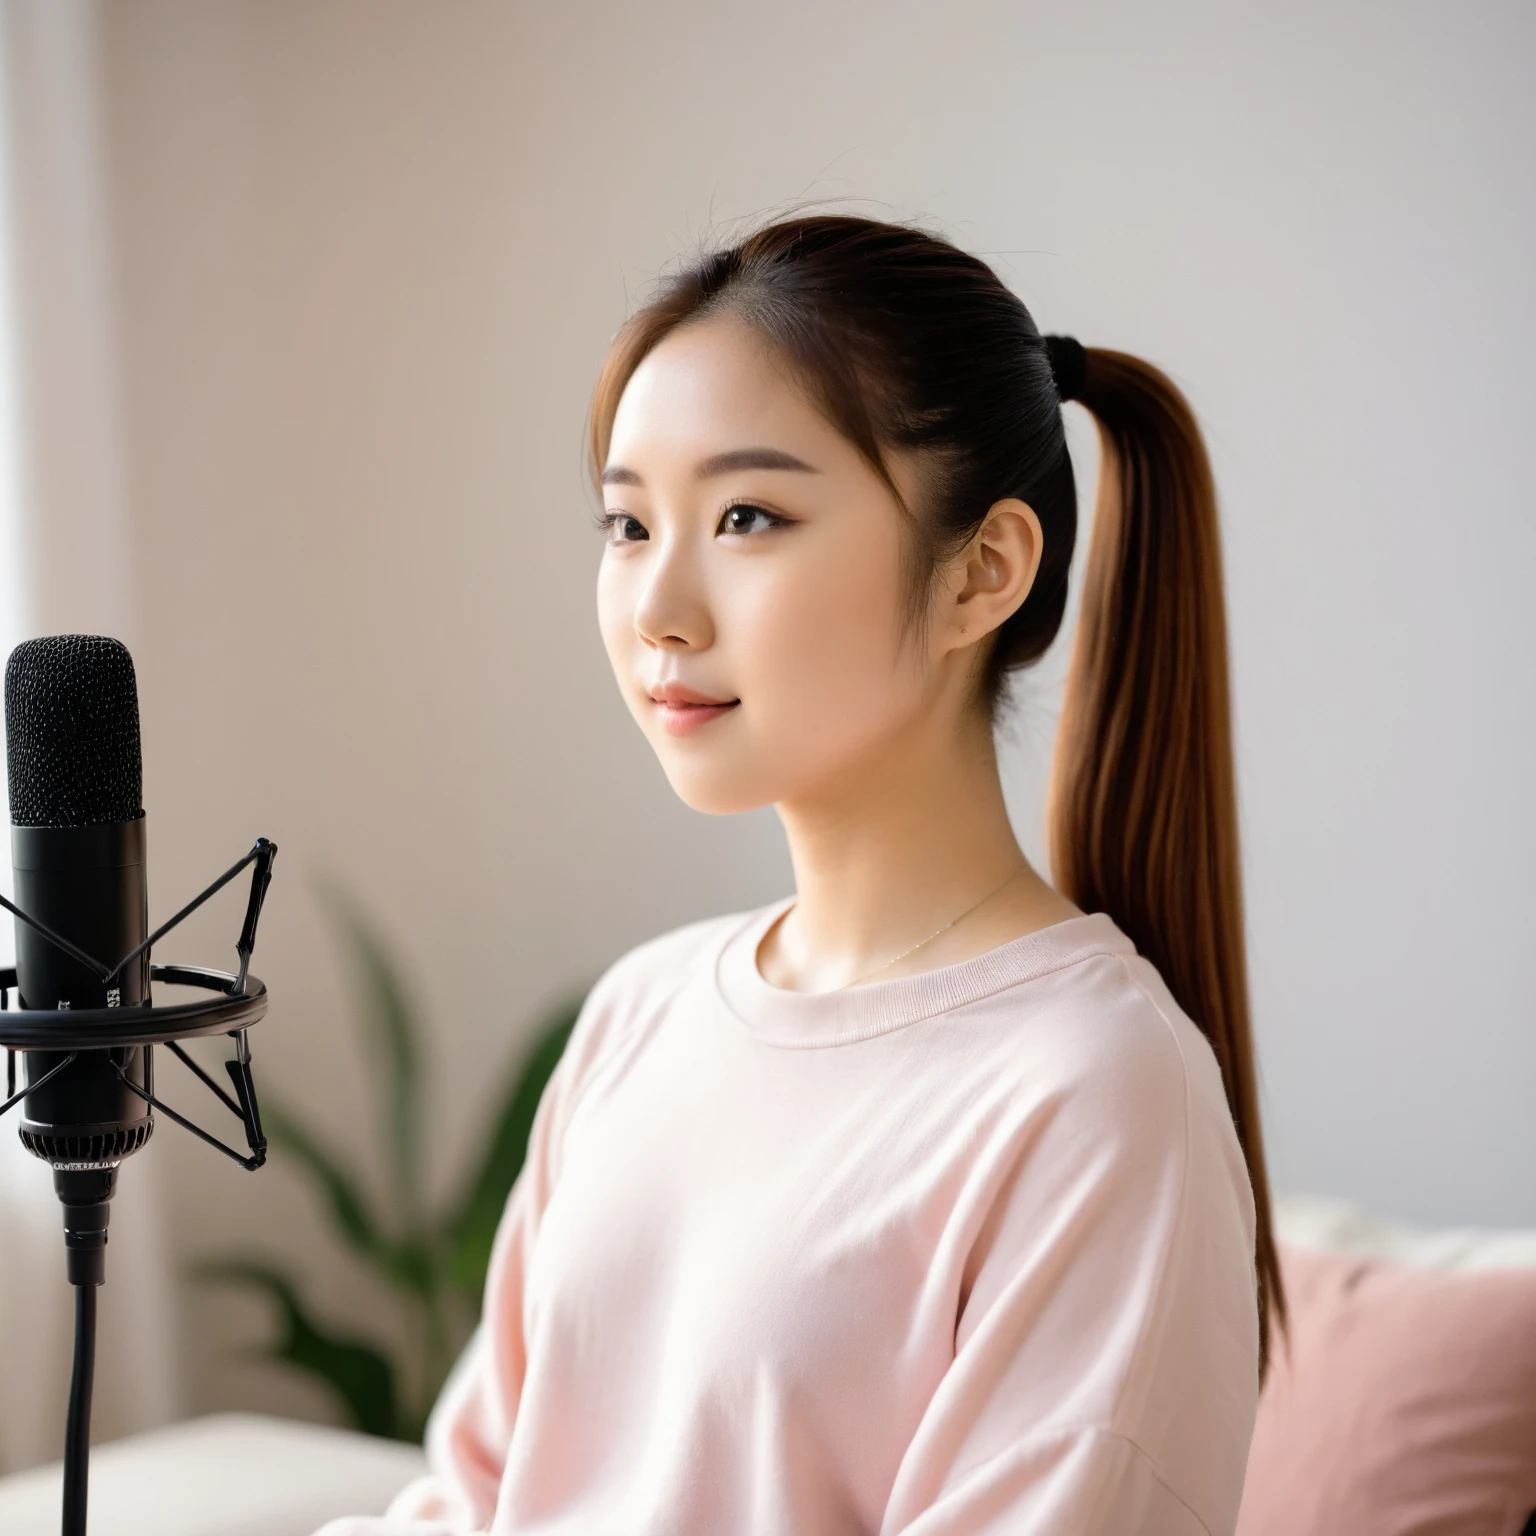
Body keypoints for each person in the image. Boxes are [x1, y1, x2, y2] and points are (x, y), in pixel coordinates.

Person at [317, 214, 1285, 1535]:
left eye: (747, 517)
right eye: (627, 524)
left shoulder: (1097, 1093)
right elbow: (477, 1498)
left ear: (982, 572)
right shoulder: (643, 1013)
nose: (658, 609)